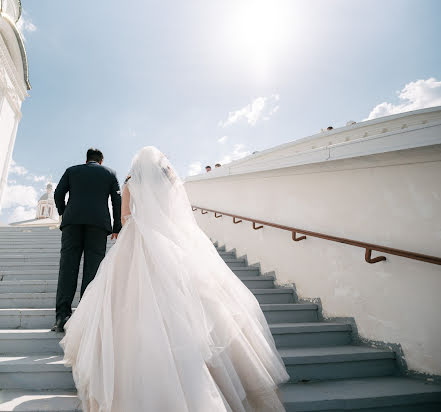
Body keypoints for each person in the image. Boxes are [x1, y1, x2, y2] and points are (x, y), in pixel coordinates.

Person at [60, 146, 289, 412]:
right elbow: (176, 212)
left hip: (137, 238)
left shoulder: (130, 182)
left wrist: (132, 222)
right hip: (167, 239)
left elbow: (124, 216)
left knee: (124, 296)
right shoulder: (170, 181)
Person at [51, 148, 122, 333]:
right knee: (93, 270)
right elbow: (117, 201)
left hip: (72, 224)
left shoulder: (72, 170)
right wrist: (117, 227)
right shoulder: (109, 173)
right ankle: (85, 317)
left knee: (67, 268)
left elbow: (58, 194)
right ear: (101, 161)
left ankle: (61, 318)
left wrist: (64, 212)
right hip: (98, 226)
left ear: (87, 159)